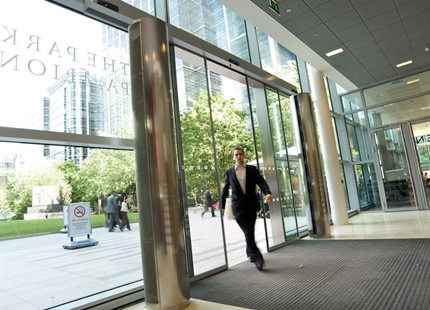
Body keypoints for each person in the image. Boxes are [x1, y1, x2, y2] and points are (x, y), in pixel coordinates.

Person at [221, 147, 273, 270]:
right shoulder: (229, 172)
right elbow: (224, 189)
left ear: (244, 156)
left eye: (240, 154)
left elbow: (261, 182)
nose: (238, 156)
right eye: (236, 155)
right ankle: (257, 256)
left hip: (251, 205)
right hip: (238, 207)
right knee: (248, 231)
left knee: (249, 231)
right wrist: (222, 206)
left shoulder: (252, 170)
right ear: (234, 157)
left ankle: (250, 253)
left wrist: (268, 193)